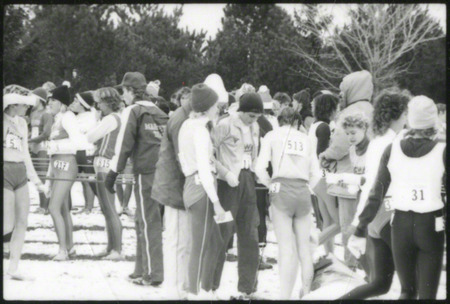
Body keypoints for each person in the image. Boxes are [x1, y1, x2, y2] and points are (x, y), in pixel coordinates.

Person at [349, 95, 446, 299]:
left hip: (399, 223)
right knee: (427, 294)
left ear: (410, 119)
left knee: (406, 291)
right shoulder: (442, 149)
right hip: (429, 224)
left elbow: (376, 192)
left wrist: (360, 227)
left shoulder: (391, 148)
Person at [341, 88, 411, 299]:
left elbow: (370, 186)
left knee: (380, 284)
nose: (408, 117)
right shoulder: (393, 143)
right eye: (406, 113)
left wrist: (360, 221)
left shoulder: (378, 142)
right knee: (412, 284)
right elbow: (375, 185)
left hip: (376, 218)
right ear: (397, 115)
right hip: (388, 215)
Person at [105, 72, 168, 286]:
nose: (123, 95)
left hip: (145, 172)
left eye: (124, 91)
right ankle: (141, 269)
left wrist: (113, 173)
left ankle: (153, 273)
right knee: (144, 219)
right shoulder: (159, 111)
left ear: (131, 91)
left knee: (149, 222)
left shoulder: (133, 110)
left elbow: (123, 144)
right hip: (161, 171)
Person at [255, 107, 321, 299]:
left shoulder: (272, 136)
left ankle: (284, 296)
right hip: (303, 189)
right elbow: (316, 173)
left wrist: (270, 184)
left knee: (286, 249)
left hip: (280, 188)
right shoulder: (306, 139)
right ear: (298, 122)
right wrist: (308, 187)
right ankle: (307, 293)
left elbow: (259, 168)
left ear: (279, 120)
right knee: (304, 248)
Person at [318, 70, 374, 269]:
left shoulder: (351, 112)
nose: (341, 95)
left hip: (348, 178)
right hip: (369, 178)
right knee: (366, 224)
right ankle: (367, 267)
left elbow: (341, 144)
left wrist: (326, 155)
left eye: (343, 90)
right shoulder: (373, 109)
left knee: (347, 223)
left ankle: (350, 266)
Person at [212, 92, 263, 299]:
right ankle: (211, 286)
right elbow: (209, 154)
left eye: (257, 116)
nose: (254, 120)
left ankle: (248, 288)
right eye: (251, 115)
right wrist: (224, 173)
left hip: (248, 180)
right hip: (228, 185)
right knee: (222, 234)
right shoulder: (224, 125)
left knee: (250, 234)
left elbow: (254, 153)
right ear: (241, 111)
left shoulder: (255, 127)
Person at [178, 83, 226, 300]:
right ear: (207, 107)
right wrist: (215, 201)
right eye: (216, 105)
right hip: (202, 187)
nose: (218, 108)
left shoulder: (187, 125)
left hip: (192, 184)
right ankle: (194, 292)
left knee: (213, 241)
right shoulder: (200, 130)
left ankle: (203, 288)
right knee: (200, 243)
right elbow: (205, 168)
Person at [151, 85, 192, 299]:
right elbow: (182, 156)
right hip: (175, 187)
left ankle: (180, 285)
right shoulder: (180, 120)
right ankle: (173, 289)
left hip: (177, 185)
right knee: (177, 240)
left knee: (182, 240)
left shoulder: (182, 116)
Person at [4, 92, 48, 280]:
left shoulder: (22, 123)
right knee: (7, 223)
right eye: (24, 106)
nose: (27, 109)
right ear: (13, 105)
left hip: (20, 172)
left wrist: (37, 181)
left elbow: (26, 155)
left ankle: (13, 267)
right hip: (4, 170)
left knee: (22, 221)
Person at [46, 85, 90, 260]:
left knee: (53, 207)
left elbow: (80, 143)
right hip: (57, 164)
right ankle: (69, 248)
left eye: (53, 100)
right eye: (49, 100)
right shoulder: (58, 118)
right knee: (63, 209)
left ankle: (62, 250)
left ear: (62, 103)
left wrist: (57, 146)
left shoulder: (68, 117)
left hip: (66, 163)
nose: (50, 103)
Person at [85, 87, 124, 260]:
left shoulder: (110, 119)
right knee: (106, 209)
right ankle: (111, 247)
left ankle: (116, 249)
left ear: (108, 102)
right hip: (104, 164)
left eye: (100, 101)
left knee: (109, 209)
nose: (98, 105)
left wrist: (95, 120)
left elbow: (90, 136)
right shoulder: (113, 117)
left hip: (105, 164)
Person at [308, 92, 340, 255]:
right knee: (339, 222)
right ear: (330, 109)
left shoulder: (315, 125)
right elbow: (322, 152)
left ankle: (330, 256)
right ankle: (311, 245)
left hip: (315, 179)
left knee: (327, 220)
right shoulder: (324, 127)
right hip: (323, 177)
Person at [69, 91, 99, 214]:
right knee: (83, 180)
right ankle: (87, 206)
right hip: (77, 150)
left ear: (83, 105)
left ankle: (90, 206)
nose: (73, 103)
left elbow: (82, 133)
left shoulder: (91, 117)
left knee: (89, 180)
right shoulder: (76, 117)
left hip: (87, 151)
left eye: (76, 101)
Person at [28, 87, 54, 214]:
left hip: (43, 147)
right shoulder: (32, 113)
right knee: (37, 177)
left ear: (40, 99)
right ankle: (41, 205)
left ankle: (45, 206)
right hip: (34, 147)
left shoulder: (47, 113)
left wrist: (31, 141)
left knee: (44, 176)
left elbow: (46, 133)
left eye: (34, 98)